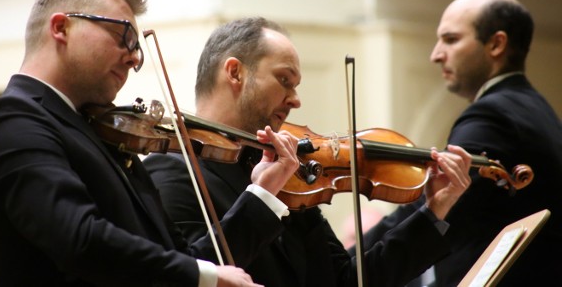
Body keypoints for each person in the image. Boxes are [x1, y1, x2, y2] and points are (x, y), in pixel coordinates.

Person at [0, 0, 302, 287]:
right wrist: (203, 276)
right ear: (61, 28)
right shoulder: (12, 119)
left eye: (137, 45)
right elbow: (79, 239)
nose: (135, 57)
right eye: (122, 35)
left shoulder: (102, 133)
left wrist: (262, 194)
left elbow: (181, 262)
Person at [144, 17, 473, 287]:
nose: (295, 99)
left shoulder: (292, 172)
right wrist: (261, 196)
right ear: (235, 73)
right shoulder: (171, 170)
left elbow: (346, 281)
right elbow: (192, 275)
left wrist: (432, 212)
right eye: (284, 80)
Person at [362, 0, 562, 286]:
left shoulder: (494, 116)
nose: (435, 54)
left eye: (451, 39)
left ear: (496, 44)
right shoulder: (535, 106)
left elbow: (437, 205)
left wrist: (346, 265)